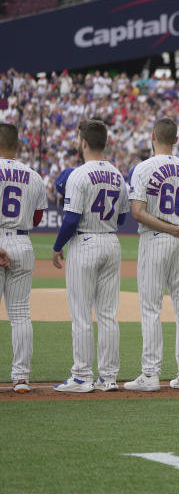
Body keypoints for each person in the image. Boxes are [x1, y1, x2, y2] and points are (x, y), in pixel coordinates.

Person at [52, 119, 130, 393]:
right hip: (111, 241)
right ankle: (108, 377)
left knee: (82, 314)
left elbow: (71, 219)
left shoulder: (78, 174)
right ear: (105, 142)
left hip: (84, 241)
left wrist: (57, 245)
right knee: (108, 314)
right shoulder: (118, 174)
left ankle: (82, 376)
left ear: (83, 142)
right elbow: (121, 218)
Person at [123, 118, 179, 392]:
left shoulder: (143, 168)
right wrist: (177, 226)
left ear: (152, 135)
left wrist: (168, 227)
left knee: (151, 308)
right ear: (176, 139)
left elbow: (138, 212)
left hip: (156, 239)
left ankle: (150, 374)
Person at [0, 123, 47, 393]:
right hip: (21, 240)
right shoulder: (33, 175)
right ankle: (21, 378)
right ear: (18, 145)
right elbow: (37, 219)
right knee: (19, 314)